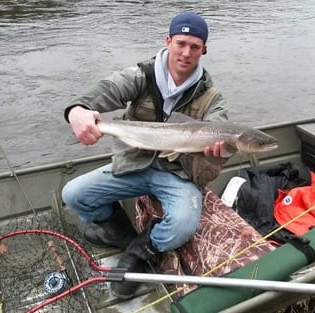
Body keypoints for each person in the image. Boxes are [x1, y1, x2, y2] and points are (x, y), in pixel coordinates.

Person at [62, 12, 232, 300]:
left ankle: (141, 250)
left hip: (177, 174)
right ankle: (118, 232)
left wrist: (217, 153)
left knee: (181, 226)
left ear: (204, 50)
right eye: (181, 43)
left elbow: (220, 131)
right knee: (73, 194)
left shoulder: (212, 98)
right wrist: (76, 110)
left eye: (194, 46)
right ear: (168, 41)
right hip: (134, 165)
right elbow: (108, 89)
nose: (186, 53)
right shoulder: (141, 75)